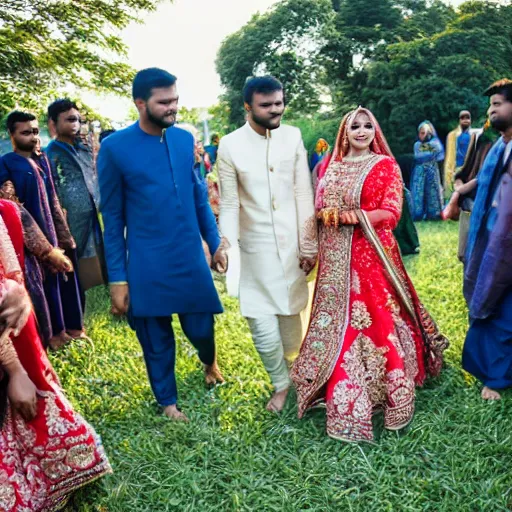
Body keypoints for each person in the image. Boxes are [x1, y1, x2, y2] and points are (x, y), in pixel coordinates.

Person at [290, 107, 448, 442]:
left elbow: (391, 213)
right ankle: (335, 382)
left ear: (374, 131)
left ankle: (385, 390)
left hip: (370, 254)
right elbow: (319, 208)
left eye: (367, 126)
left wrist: (350, 217)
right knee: (339, 321)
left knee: (374, 318)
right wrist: (321, 225)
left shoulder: (384, 165)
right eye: (354, 127)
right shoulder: (332, 167)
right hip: (336, 262)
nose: (360, 132)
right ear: (344, 133)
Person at [97, 68, 228, 422]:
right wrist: (118, 280)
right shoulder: (114, 148)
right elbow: (112, 219)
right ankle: (168, 402)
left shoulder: (184, 139)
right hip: (146, 260)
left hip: (188, 255)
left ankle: (209, 361)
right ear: (140, 103)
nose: (172, 108)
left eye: (175, 100)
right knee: (155, 337)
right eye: (164, 102)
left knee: (201, 327)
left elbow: (199, 196)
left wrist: (214, 243)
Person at [0, 198, 111, 511]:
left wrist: (50, 252)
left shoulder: (6, 210)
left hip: (12, 325)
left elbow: (19, 217)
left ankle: (48, 469)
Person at [218, 76, 318, 413]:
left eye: (279, 103)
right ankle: (280, 383)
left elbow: (304, 191)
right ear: (248, 107)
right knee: (259, 317)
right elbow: (230, 203)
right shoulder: (230, 145)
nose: (276, 110)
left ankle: (299, 375)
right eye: (266, 105)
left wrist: (308, 243)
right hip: (254, 247)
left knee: (292, 314)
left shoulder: (292, 137)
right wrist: (225, 244)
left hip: (293, 243)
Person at [0, 111, 84, 349]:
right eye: (26, 133)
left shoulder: (43, 159)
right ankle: (53, 338)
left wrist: (64, 237)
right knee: (42, 286)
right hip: (29, 242)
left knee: (65, 279)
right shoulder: (6, 164)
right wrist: (44, 248)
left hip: (54, 232)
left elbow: (53, 200)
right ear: (12, 135)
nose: (33, 137)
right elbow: (13, 209)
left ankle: (72, 329)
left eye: (35, 131)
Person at [462, 78, 512, 401]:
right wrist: (460, 194)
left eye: (497, 104)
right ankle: (491, 371)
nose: (490, 110)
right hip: (494, 239)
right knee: (492, 304)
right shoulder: (500, 145)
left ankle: (496, 379)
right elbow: (487, 181)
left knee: (505, 311)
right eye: (490, 105)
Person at [46, 99, 105, 296]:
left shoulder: (84, 148)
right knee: (73, 252)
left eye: (78, 120)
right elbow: (52, 184)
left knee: (101, 249)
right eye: (70, 120)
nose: (75, 124)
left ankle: (105, 286)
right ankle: (70, 294)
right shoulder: (51, 152)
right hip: (70, 212)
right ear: (53, 123)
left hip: (94, 208)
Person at [442, 121, 497, 261]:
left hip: (489, 202)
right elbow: (467, 172)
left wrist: (459, 191)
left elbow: (485, 176)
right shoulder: (480, 139)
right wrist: (459, 188)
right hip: (472, 200)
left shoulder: (498, 145)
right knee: (468, 254)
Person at [410, 121, 445, 221]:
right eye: (421, 133)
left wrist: (430, 151)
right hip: (420, 171)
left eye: (425, 133)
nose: (423, 135)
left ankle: (434, 214)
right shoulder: (417, 145)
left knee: (433, 190)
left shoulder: (435, 143)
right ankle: (417, 214)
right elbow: (419, 155)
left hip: (432, 170)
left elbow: (438, 149)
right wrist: (431, 152)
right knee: (418, 191)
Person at [444, 110, 478, 195]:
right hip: (456, 170)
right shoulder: (452, 136)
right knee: (455, 195)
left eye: (467, 118)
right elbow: (449, 156)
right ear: (459, 120)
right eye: (462, 118)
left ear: (471, 120)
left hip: (471, 170)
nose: (465, 120)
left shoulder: (475, 135)